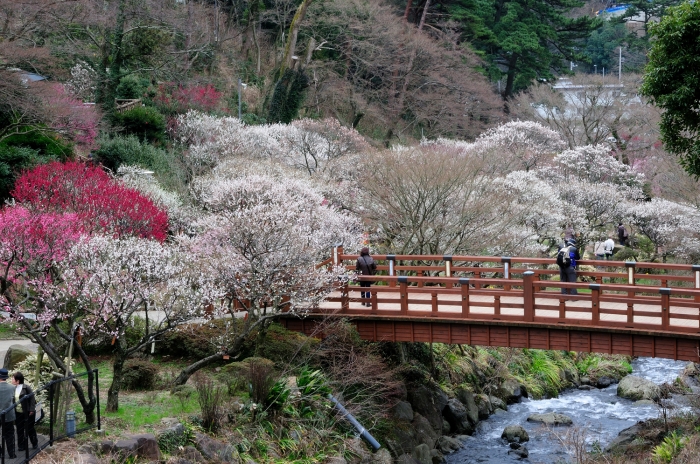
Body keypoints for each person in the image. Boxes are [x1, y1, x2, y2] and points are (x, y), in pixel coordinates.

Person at [12, 372, 37, 452]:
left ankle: (34, 442)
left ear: (18, 380)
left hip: (27, 412)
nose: (12, 379)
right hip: (18, 412)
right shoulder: (13, 388)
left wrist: (32, 409)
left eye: (13, 378)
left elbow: (32, 399)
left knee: (29, 428)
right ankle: (21, 446)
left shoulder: (27, 388)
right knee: (19, 429)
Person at [0, 369, 16, 458]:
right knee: (9, 434)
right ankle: (12, 453)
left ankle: (0, 452)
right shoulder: (12, 387)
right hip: (8, 414)